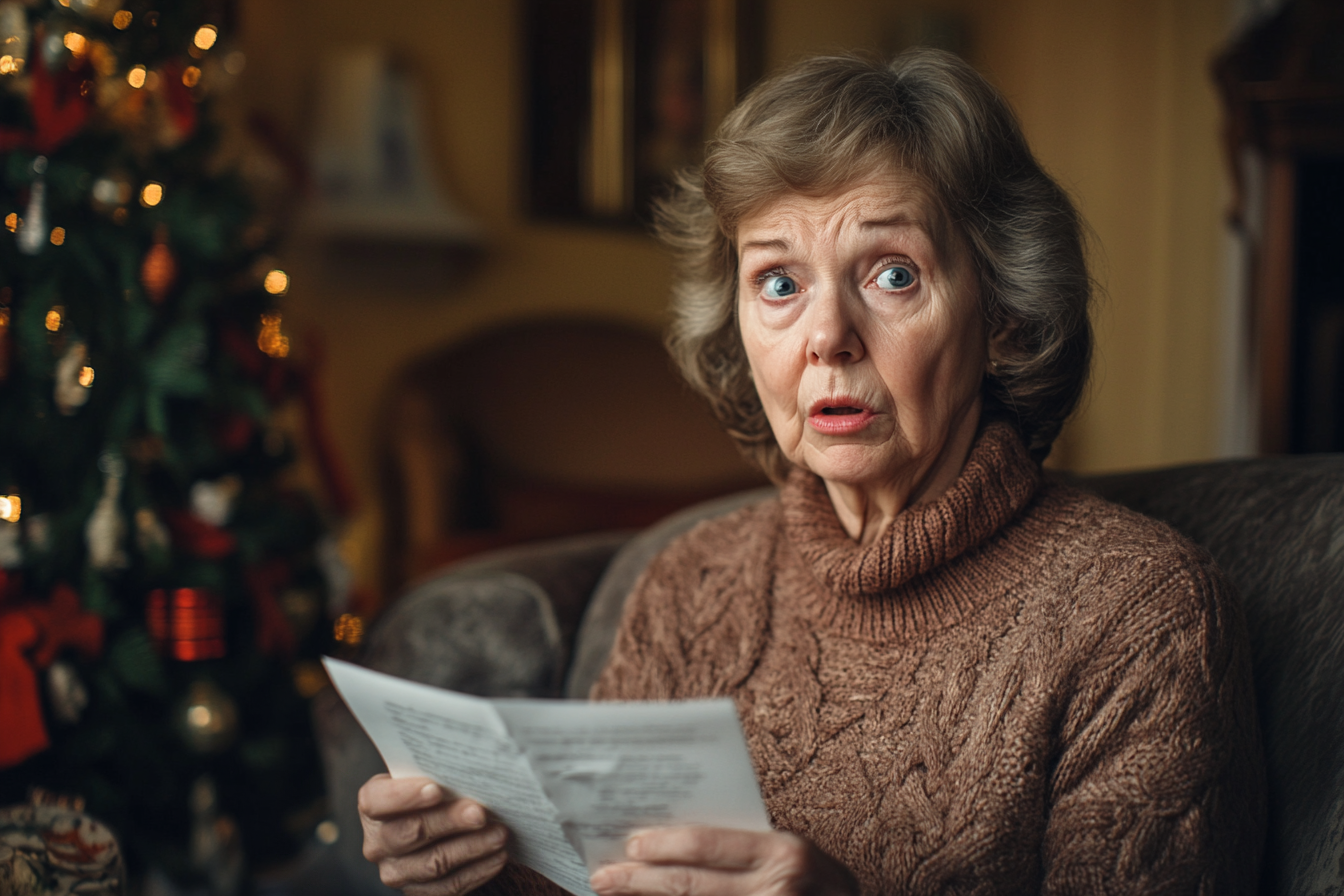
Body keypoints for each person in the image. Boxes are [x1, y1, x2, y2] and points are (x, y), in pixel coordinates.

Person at [356, 49, 1265, 896]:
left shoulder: (1141, 617)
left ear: (1004, 318)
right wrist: (476, 868)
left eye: (892, 275)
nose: (826, 337)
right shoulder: (691, 580)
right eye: (779, 284)